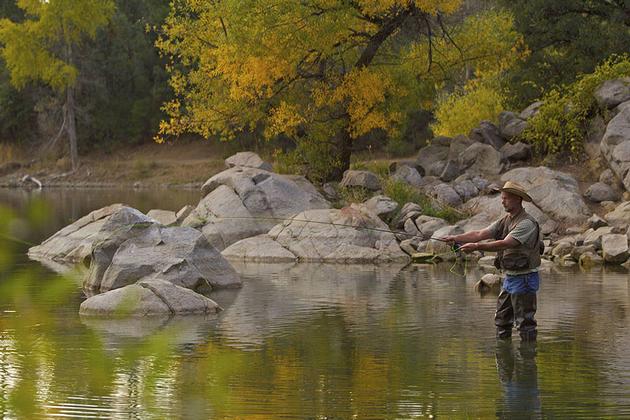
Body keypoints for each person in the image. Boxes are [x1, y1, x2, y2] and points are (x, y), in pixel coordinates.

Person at [441, 181, 542, 341]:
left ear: (518, 199)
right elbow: (480, 233)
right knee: (502, 321)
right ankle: (503, 363)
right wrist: (455, 237)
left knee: (525, 324)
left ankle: (527, 362)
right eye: (502, 198)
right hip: (510, 278)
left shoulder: (526, 223)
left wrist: (476, 247)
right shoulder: (505, 220)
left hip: (525, 279)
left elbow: (506, 243)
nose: (502, 201)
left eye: (506, 198)